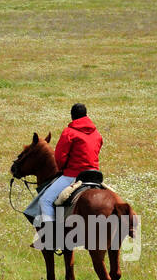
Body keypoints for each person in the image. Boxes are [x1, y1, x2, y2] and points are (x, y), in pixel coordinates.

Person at [24, 103, 103, 247]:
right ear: (86, 115)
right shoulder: (97, 133)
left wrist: (63, 168)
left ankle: (49, 236)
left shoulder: (69, 132)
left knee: (46, 200)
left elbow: (60, 157)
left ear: (72, 116)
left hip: (73, 175)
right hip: (95, 175)